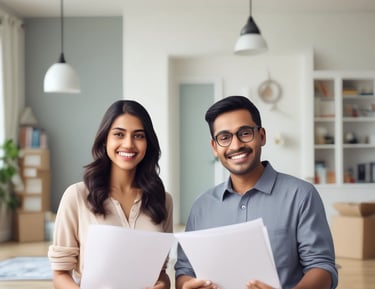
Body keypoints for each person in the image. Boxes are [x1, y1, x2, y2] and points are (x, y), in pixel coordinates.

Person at [175, 95, 338, 289]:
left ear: (262, 136)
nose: (235, 146)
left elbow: (321, 266)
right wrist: (186, 285)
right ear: (214, 147)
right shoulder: (201, 206)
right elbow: (185, 270)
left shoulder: (301, 195)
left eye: (244, 133)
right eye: (224, 138)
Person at [48, 100, 173, 289]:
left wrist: (163, 284)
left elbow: (162, 273)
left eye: (138, 136)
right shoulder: (76, 196)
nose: (129, 144)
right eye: (119, 134)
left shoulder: (163, 199)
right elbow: (60, 275)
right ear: (105, 139)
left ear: (148, 142)